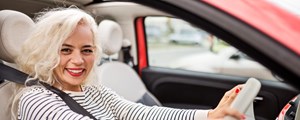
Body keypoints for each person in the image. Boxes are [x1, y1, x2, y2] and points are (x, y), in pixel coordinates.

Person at [12, 7, 245, 120]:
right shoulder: (36, 99)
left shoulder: (92, 88)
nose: (78, 60)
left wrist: (209, 116)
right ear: (46, 51)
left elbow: (135, 112)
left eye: (87, 50)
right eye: (65, 50)